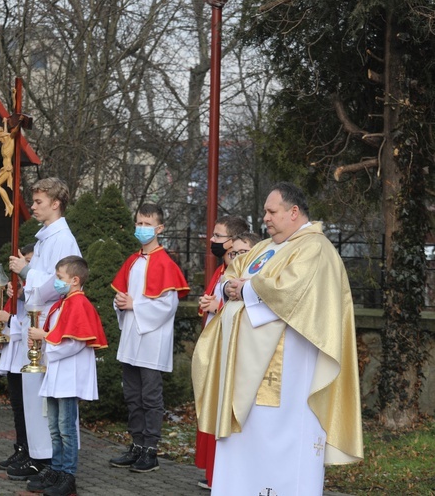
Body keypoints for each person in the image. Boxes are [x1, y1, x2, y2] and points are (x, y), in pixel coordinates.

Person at [192, 182, 364, 495]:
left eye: (272, 212)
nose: (266, 219)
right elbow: (234, 271)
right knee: (246, 439)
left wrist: (244, 290)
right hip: (246, 367)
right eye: (266, 213)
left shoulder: (314, 248)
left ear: (293, 212)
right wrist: (229, 287)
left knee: (282, 439)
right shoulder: (268, 247)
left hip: (288, 372)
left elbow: (290, 293)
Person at [6, 177, 81, 481]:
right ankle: (39, 455)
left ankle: (53, 460)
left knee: (48, 400)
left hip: (50, 322)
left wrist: (25, 273)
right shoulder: (45, 238)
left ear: (56, 203)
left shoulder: (63, 239)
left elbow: (57, 282)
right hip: (37, 320)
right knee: (36, 396)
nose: (33, 206)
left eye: (38, 202)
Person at [109, 203, 190, 473]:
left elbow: (168, 306)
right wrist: (119, 302)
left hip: (153, 339)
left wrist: (135, 305)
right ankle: (136, 444)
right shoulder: (132, 261)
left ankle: (151, 450)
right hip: (131, 335)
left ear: (160, 228)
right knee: (132, 395)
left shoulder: (166, 263)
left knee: (150, 397)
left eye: (147, 224)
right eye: (139, 223)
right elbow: (123, 295)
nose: (141, 228)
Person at [25, 256, 107, 496]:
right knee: (54, 426)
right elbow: (58, 333)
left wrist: (45, 338)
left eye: (59, 278)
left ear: (74, 280)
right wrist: (42, 338)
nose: (57, 282)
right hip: (57, 373)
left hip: (69, 375)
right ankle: (56, 469)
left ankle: (68, 475)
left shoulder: (79, 304)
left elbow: (75, 343)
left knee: (66, 428)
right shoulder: (63, 303)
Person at [194, 216, 249, 490]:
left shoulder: (245, 276)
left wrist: (219, 307)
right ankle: (213, 472)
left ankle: (223, 476)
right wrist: (208, 304)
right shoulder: (221, 271)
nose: (212, 241)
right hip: (216, 346)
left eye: (218, 236)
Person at [0, 243, 34, 470]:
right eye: (23, 260)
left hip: (28, 355)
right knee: (18, 405)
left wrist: (8, 319)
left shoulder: (38, 289)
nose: (25, 264)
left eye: (29, 261)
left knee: (28, 407)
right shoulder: (20, 287)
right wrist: (15, 296)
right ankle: (20, 448)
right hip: (15, 355)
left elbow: (30, 322)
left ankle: (30, 451)